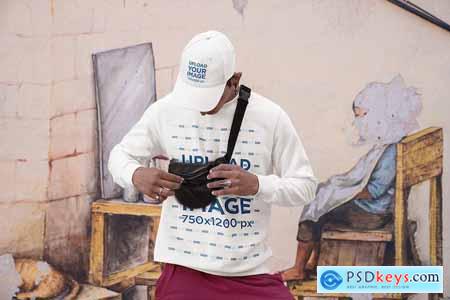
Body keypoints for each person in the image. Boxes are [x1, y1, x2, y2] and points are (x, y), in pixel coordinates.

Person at [108, 30, 317, 300]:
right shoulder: (166, 110)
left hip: (249, 273)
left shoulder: (270, 117)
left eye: (208, 96)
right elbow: (119, 156)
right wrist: (135, 174)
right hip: (184, 269)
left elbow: (306, 186)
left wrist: (257, 185)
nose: (200, 107)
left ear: (235, 80)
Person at [282, 75, 422, 281]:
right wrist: (338, 188)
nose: (358, 122)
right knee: (321, 197)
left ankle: (299, 267)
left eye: (362, 116)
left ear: (379, 115)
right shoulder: (388, 143)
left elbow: (374, 190)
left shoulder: (392, 151)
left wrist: (341, 193)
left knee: (315, 211)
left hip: (372, 214)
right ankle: (313, 260)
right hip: (374, 209)